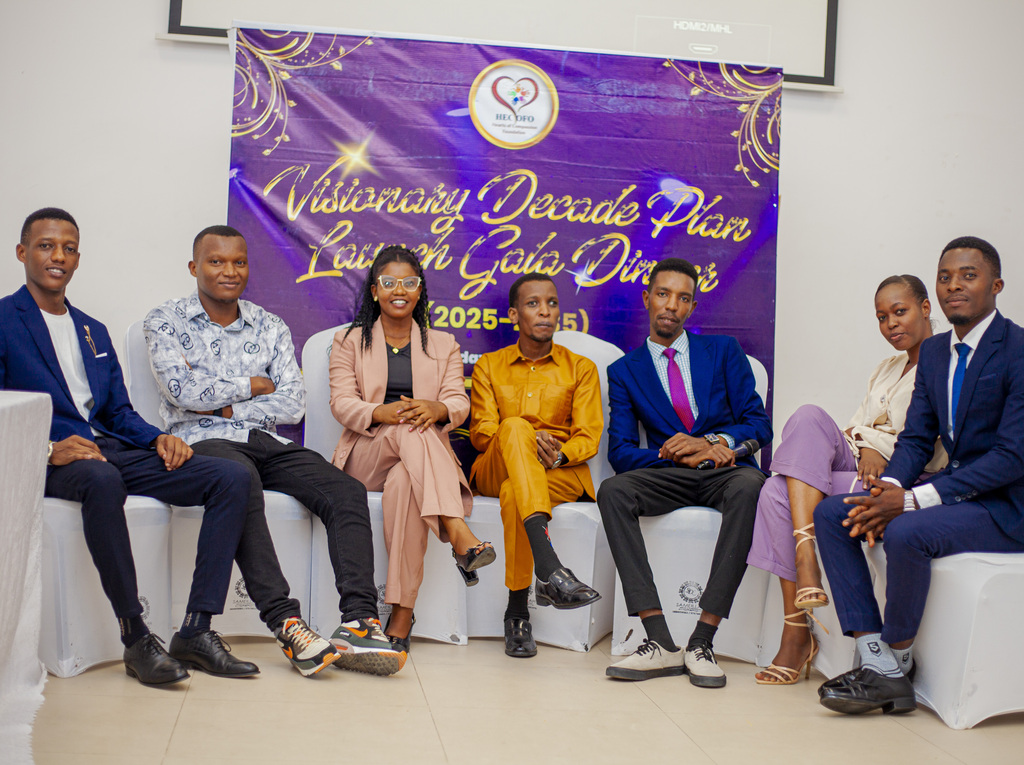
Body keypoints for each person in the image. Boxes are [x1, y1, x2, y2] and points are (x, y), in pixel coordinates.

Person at [1, 208, 256, 686]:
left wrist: (159, 438)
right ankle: (136, 637)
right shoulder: (3, 320)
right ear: (22, 252)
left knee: (232, 476)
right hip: (53, 458)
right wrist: (47, 449)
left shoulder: (91, 329)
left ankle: (196, 629)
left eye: (69, 248)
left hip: (109, 449)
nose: (58, 256)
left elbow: (116, 411)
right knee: (102, 480)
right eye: (46, 246)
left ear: (78, 258)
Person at [144, 225, 402, 678]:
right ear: (194, 267)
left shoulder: (270, 325)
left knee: (345, 490)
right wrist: (253, 385)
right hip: (204, 440)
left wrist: (224, 401)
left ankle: (359, 622)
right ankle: (287, 623)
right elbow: (181, 390)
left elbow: (292, 403)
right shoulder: (165, 320)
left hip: (267, 440)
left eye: (239, 262)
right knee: (239, 483)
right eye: (216, 261)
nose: (229, 271)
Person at [814, 236, 1024, 715]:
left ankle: (898, 659)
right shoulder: (933, 354)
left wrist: (909, 501)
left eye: (968, 275)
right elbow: (915, 439)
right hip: (957, 490)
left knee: (906, 531)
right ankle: (877, 661)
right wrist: (888, 488)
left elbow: (1012, 457)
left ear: (996, 285)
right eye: (945, 277)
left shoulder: (1018, 350)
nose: (954, 286)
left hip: (1007, 505)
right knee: (832, 514)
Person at [747, 275, 947, 685]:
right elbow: (854, 428)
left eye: (900, 312)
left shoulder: (946, 363)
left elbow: (929, 443)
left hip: (903, 478)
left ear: (926, 308)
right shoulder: (887, 367)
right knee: (807, 415)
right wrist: (867, 443)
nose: (891, 324)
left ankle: (796, 633)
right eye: (882, 317)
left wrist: (873, 445)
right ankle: (806, 556)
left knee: (775, 491)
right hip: (859, 461)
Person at [598, 257, 772, 687]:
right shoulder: (625, 371)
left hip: (726, 472)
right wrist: (679, 456)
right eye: (663, 294)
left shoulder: (725, 351)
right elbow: (621, 452)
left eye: (682, 298)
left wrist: (713, 444)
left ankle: (702, 641)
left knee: (751, 486)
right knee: (613, 491)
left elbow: (758, 424)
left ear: (692, 307)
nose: (671, 305)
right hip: (671, 474)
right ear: (647, 298)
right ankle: (659, 640)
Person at [329, 245, 494, 652]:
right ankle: (457, 530)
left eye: (409, 282)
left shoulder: (443, 344)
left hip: (418, 466)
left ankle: (401, 616)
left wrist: (437, 408)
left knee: (405, 482)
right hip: (366, 456)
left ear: (420, 291)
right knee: (408, 425)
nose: (398, 290)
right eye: (388, 282)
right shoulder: (349, 341)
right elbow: (342, 403)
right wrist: (380, 412)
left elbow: (458, 402)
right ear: (374, 291)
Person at [469, 273, 603, 658]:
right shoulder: (489, 366)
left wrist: (558, 454)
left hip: (558, 471)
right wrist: (524, 438)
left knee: (516, 491)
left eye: (552, 303)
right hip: (498, 462)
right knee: (514, 427)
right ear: (514, 315)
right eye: (533, 304)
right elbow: (482, 433)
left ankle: (517, 613)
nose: (545, 311)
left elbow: (588, 436)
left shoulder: (581, 368)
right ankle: (549, 566)